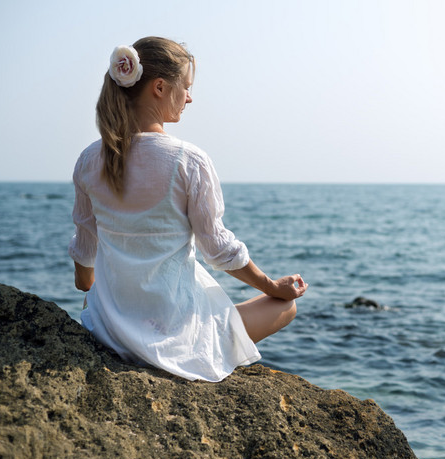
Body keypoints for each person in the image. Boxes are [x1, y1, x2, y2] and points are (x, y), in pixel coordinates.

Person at [68, 36, 308, 382]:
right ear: (161, 87)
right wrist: (273, 286)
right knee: (286, 307)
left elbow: (84, 248)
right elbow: (219, 250)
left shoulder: (90, 159)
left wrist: (89, 292)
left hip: (109, 331)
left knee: (100, 298)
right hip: (175, 340)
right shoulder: (188, 160)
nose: (190, 97)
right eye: (187, 87)